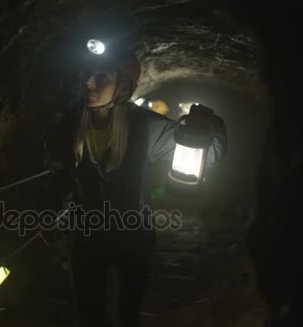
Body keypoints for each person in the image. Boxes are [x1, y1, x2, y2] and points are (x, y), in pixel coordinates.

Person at [39, 47, 227, 326]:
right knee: (89, 315)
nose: (89, 83)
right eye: (86, 75)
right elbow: (63, 174)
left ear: (122, 87)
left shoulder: (144, 126)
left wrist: (209, 127)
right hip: (86, 235)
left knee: (128, 312)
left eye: (101, 77)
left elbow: (209, 155)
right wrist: (47, 208)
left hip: (133, 235)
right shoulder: (69, 122)